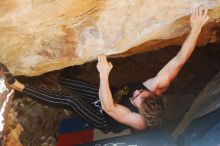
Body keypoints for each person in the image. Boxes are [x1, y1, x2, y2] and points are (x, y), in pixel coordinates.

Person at [0, 6, 209, 133]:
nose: (136, 91)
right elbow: (179, 60)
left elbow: (109, 108)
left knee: (69, 100)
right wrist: (197, 28)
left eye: (136, 98)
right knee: (66, 82)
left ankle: (15, 85)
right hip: (113, 95)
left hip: (103, 115)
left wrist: (103, 73)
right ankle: (66, 74)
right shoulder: (156, 86)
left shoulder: (137, 121)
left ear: (138, 111)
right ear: (154, 92)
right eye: (141, 91)